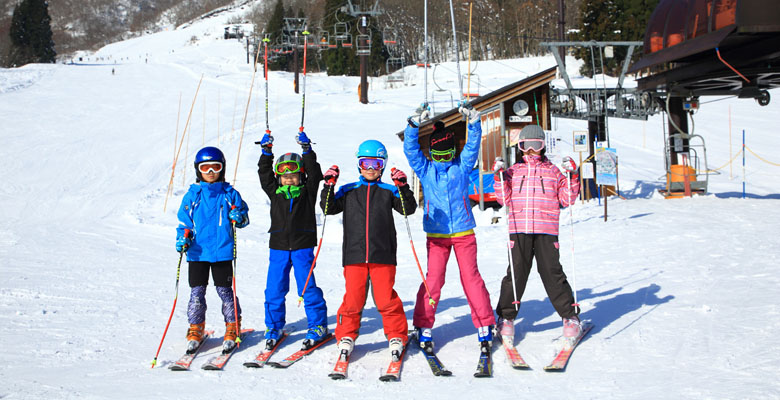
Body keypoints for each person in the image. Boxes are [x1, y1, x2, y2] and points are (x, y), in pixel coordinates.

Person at [403, 107, 496, 353]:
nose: (443, 161)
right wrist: (413, 126)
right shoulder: (425, 169)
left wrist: (474, 123)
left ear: (454, 152)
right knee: (433, 280)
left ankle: (485, 324)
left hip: (464, 233)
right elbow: (410, 150)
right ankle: (423, 326)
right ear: (431, 153)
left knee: (471, 278)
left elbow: (473, 146)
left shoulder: (462, 166)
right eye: (438, 155)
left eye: (447, 155)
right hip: (437, 236)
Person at [320, 140, 417, 361]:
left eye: (376, 163)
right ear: (359, 165)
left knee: (385, 300)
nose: (371, 169)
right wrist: (328, 185)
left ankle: (396, 335)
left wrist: (403, 187)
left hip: (382, 254)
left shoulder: (389, 191)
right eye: (366, 163)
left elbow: (407, 209)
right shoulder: (348, 190)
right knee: (353, 300)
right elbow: (328, 208)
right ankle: (346, 335)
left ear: (383, 166)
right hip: (354, 255)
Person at [491, 124, 581, 345]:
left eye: (535, 145)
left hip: (546, 229)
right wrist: (498, 176)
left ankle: (570, 317)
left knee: (551, 272)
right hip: (519, 228)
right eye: (525, 145)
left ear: (543, 146)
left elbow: (567, 199)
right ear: (520, 147)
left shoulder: (553, 171)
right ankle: (506, 318)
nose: (530, 150)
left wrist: (573, 176)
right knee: (516, 274)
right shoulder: (513, 171)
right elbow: (503, 199)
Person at [257, 131, 328, 349]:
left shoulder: (307, 192)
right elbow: (264, 175)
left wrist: (307, 151)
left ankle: (318, 324)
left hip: (302, 246)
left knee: (307, 286)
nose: (289, 177)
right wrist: (266, 153)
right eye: (284, 174)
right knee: (274, 288)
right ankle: (274, 326)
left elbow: (316, 175)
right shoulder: (275, 192)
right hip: (278, 246)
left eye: (294, 174)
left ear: (301, 176)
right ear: (279, 177)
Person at [176, 146, 249, 352]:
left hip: (222, 252)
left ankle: (232, 326)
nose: (210, 172)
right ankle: (196, 328)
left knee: (224, 291)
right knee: (197, 293)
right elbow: (184, 223)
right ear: (198, 170)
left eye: (214, 167)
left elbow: (243, 217)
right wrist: (183, 238)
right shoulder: (193, 196)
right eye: (205, 167)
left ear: (222, 169)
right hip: (197, 252)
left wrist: (239, 217)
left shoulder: (229, 194)